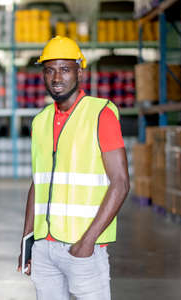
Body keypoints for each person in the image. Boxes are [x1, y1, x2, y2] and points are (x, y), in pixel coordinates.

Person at [17, 36, 130, 300]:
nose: (56, 77)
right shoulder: (40, 122)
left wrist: (88, 242)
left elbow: (121, 182)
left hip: (84, 250)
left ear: (80, 71)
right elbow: (38, 184)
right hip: (45, 249)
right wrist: (28, 242)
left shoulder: (101, 114)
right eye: (49, 70)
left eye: (65, 69)